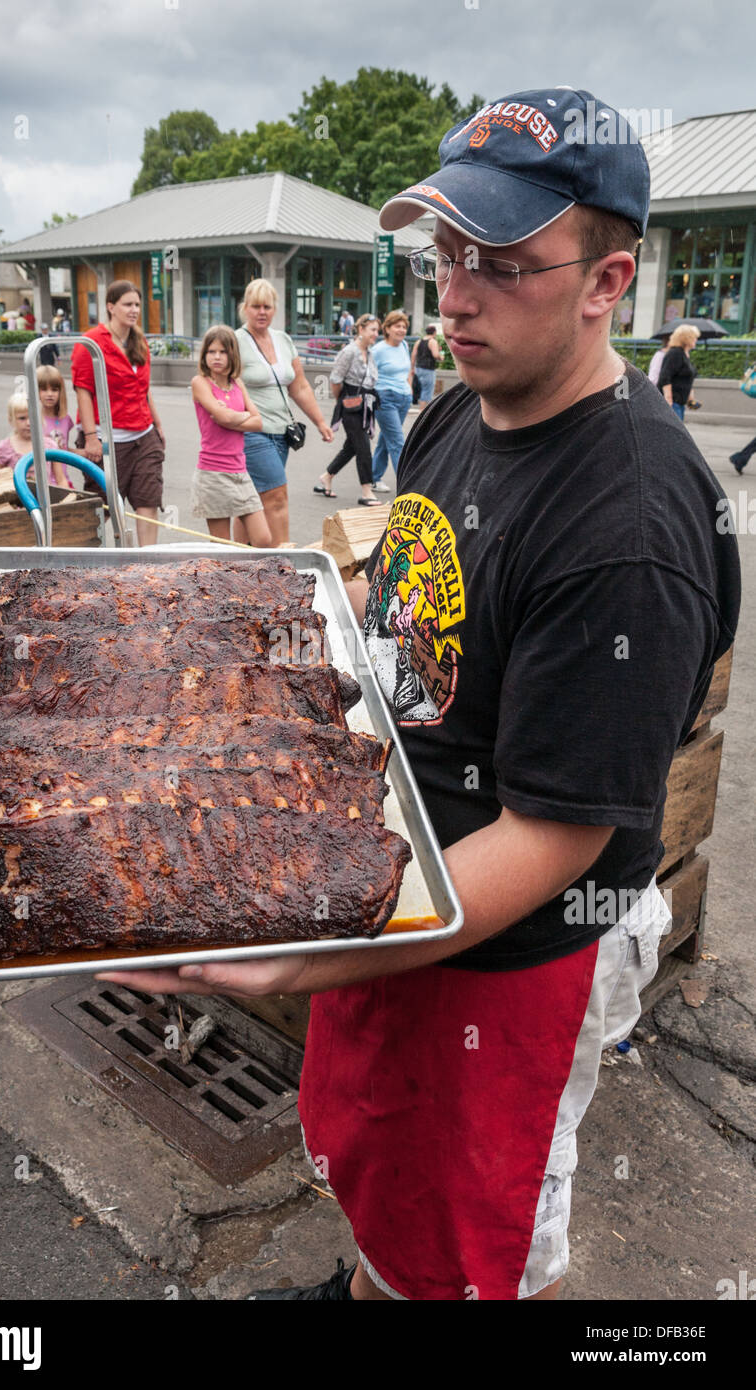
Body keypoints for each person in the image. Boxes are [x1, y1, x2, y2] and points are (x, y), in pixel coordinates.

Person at [99, 86, 740, 1303]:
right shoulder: (458, 409)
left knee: (481, 1238)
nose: (451, 295)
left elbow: (561, 832)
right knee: (381, 1162)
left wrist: (313, 959)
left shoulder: (628, 525)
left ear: (609, 280)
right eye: (444, 253)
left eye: (500, 262)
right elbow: (411, 602)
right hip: (389, 879)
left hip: (507, 955)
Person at [235, 278, 333, 546]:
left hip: (282, 433)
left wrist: (320, 422)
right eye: (255, 306)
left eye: (267, 306)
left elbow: (299, 386)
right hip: (251, 432)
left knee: (252, 498)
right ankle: (283, 559)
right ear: (245, 308)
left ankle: (238, 558)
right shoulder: (236, 341)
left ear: (275, 309)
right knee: (277, 496)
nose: (261, 312)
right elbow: (224, 386)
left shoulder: (283, 339)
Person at [71, 280, 166, 546]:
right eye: (128, 304)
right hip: (108, 437)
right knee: (101, 508)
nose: (134, 310)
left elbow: (144, 389)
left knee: (148, 502)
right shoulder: (91, 342)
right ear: (111, 307)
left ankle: (149, 567)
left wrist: (157, 425)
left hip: (143, 436)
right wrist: (90, 437)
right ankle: (99, 566)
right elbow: (83, 390)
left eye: (137, 304)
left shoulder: (139, 340)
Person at [190, 325, 270, 547]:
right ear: (204, 354)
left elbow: (258, 422)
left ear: (232, 354)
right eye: (211, 351)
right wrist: (243, 417)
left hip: (239, 472)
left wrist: (234, 416)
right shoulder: (200, 383)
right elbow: (221, 416)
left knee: (263, 539)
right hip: (212, 473)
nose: (217, 357)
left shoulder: (237, 384)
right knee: (222, 548)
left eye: (223, 352)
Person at [316, 314, 383, 506]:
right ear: (360, 330)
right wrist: (343, 401)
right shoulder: (349, 352)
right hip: (351, 405)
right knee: (363, 446)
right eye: (372, 330)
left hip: (365, 405)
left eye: (377, 331)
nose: (376, 334)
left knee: (352, 446)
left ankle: (327, 476)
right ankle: (367, 490)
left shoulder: (369, 353)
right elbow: (336, 380)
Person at [370, 310, 412, 492]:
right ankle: (407, 486)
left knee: (386, 439)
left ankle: (374, 476)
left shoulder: (404, 346)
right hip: (385, 398)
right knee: (397, 442)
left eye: (404, 327)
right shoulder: (378, 350)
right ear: (387, 329)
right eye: (397, 326)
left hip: (403, 397)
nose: (401, 330)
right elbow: (368, 375)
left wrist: (409, 391)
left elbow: (408, 371)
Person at [35, 364, 75, 487]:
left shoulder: (65, 419)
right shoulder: (33, 421)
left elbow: (63, 448)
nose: (50, 394)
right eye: (44, 389)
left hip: (62, 480)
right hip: (42, 483)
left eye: (54, 389)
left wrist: (84, 453)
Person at [657, 324, 699, 420]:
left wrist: (690, 400)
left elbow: (687, 379)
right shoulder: (675, 353)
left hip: (680, 403)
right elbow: (665, 377)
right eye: (694, 337)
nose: (696, 340)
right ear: (686, 338)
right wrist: (669, 401)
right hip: (673, 402)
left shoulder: (685, 354)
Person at [0, 382, 34, 471]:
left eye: (32, 417)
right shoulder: (3, 448)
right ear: (11, 420)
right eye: (22, 418)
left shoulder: (49, 445)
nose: (28, 423)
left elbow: (60, 478)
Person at [411, 323, 443, 410]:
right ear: (434, 332)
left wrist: (412, 368)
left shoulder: (418, 341)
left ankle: (422, 411)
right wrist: (441, 357)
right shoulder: (433, 341)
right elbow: (436, 355)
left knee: (421, 390)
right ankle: (422, 412)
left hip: (418, 368)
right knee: (427, 391)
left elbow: (413, 355)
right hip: (428, 369)